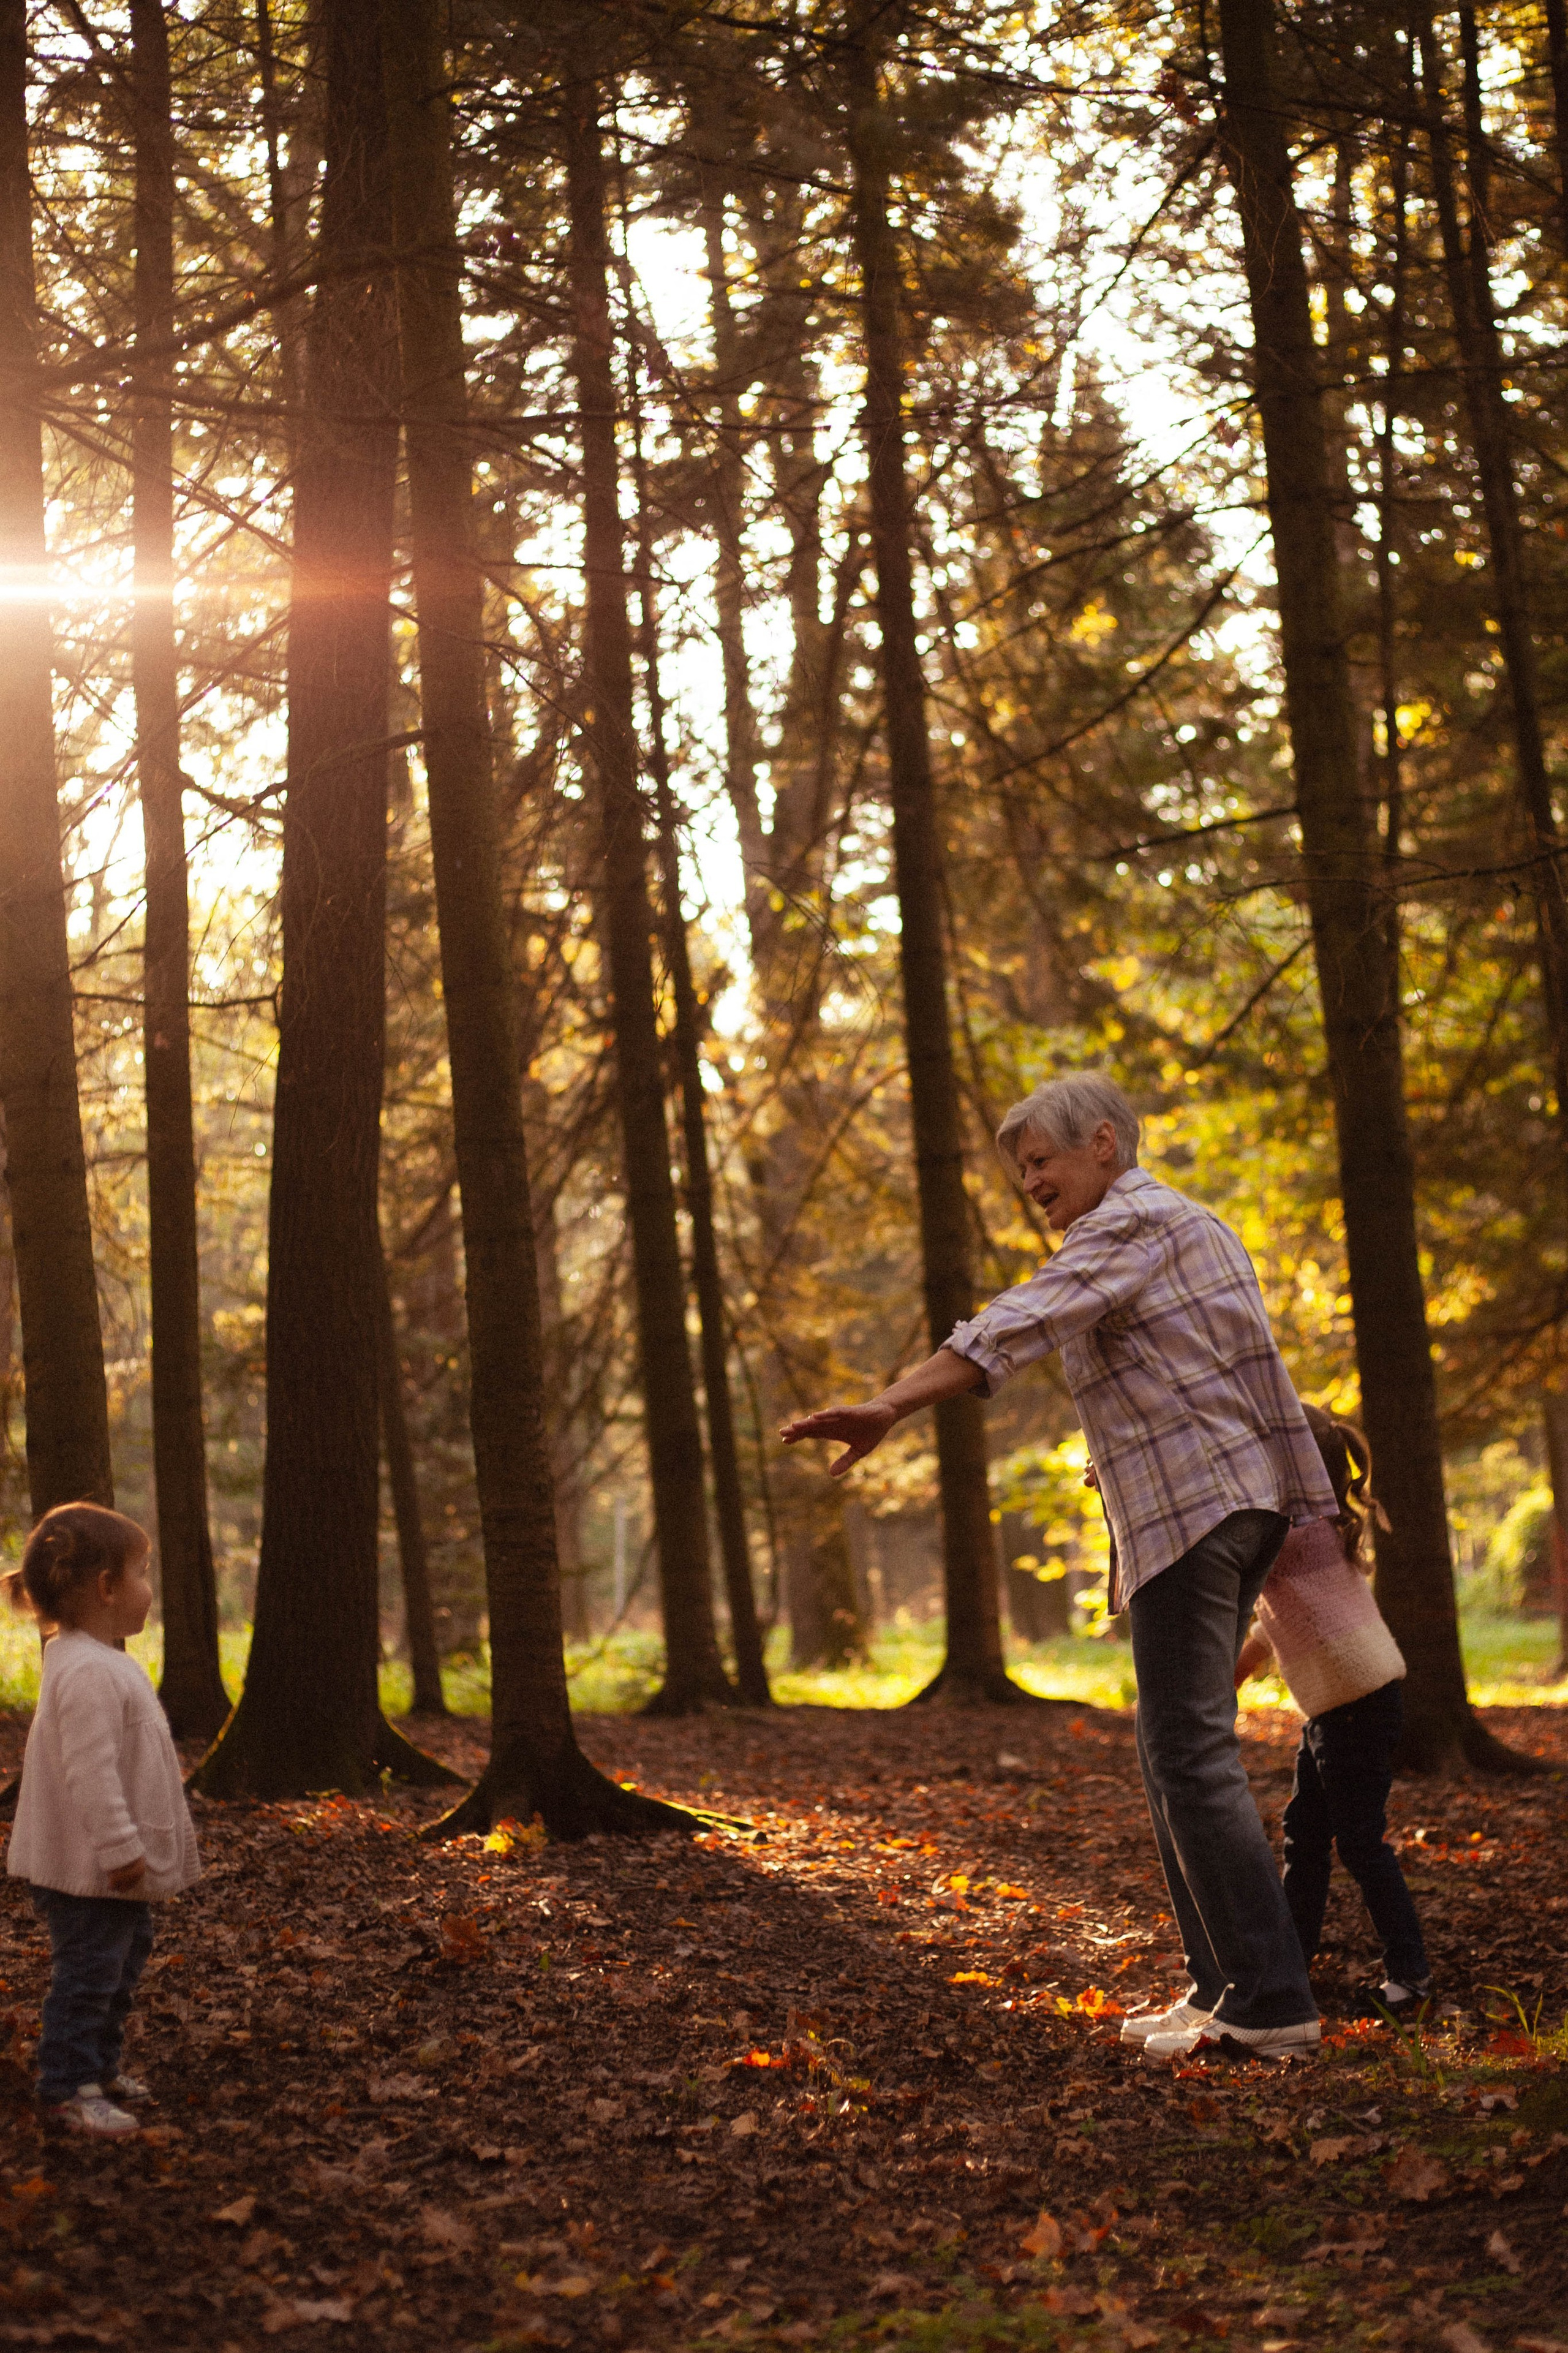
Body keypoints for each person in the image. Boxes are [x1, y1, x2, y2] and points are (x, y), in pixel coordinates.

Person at [780, 1070, 1338, 2060]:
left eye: (1042, 1159)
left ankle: (1270, 1999)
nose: (1029, 1180)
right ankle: (1226, 1986)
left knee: (1190, 1755)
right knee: (1174, 1752)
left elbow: (1021, 1321)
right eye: (1020, 1168)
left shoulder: (1127, 1225)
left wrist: (892, 1403)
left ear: (1106, 1146)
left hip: (1197, 1511)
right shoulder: (1191, 1224)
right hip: (1231, 1504)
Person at [5, 1503, 202, 2137]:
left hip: (103, 1870)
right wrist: (121, 1847)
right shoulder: (87, 1669)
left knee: (122, 1958)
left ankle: (99, 2066)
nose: (149, 1589)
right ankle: (66, 2087)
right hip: (87, 1869)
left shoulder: (97, 1659)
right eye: (142, 1573)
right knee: (90, 1972)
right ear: (106, 1587)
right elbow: (89, 1772)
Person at [1235, 1406, 1431, 2019]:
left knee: (1360, 1845)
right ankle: (1296, 1958)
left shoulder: (1298, 1533)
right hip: (1339, 1706)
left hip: (1353, 1705)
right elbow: (1277, 1624)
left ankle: (1411, 1976)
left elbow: (1239, 1561)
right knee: (1306, 1835)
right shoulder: (1317, 1529)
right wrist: (1234, 1676)